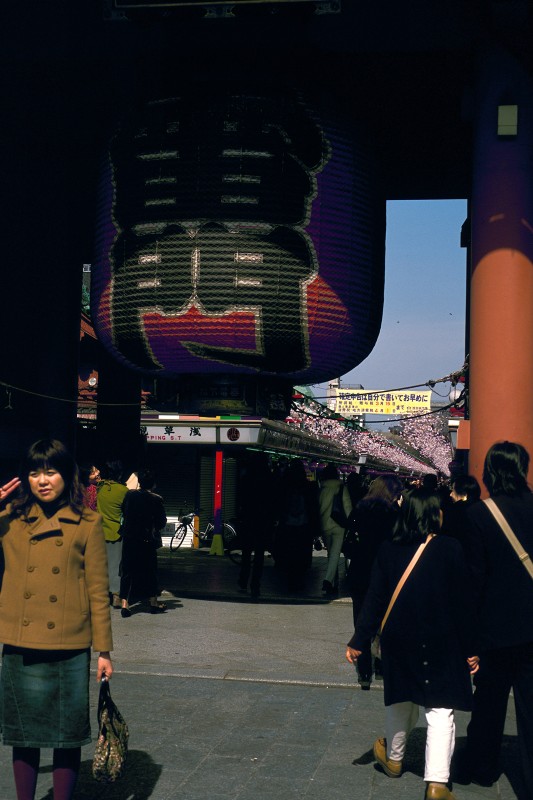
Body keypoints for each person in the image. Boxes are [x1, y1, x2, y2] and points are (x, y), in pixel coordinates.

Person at [346, 488, 479, 800]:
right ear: (433, 514)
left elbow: (375, 599)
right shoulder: (450, 548)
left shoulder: (388, 549)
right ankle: (436, 783)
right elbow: (464, 605)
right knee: (441, 710)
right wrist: (472, 648)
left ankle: (394, 759)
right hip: (442, 640)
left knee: (400, 700)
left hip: (398, 639)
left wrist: (359, 640)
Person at [0, 439, 113, 800]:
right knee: (24, 734)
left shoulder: (88, 522)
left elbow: (98, 588)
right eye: (34, 472)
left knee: (67, 734)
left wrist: (105, 651)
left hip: (69, 642)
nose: (42, 480)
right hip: (21, 641)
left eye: (50, 471)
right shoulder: (9, 520)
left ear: (67, 474)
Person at [461, 441, 533, 793]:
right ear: (523, 469)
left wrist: (469, 640)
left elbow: (474, 581)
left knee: (488, 704)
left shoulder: (478, 514)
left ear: (490, 470)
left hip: (494, 630)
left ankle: (482, 767)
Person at [346, 474, 403, 688]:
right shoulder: (394, 513)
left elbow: (350, 529)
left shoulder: (361, 508)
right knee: (384, 620)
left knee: (360, 619)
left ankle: (364, 672)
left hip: (360, 570)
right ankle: (381, 666)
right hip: (385, 571)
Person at [119, 467, 168, 616]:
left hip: (129, 537)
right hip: (146, 539)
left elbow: (123, 511)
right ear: (153, 484)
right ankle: (153, 603)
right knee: (150, 571)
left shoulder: (129, 495)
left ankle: (125, 605)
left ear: (139, 482)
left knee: (127, 570)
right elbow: (161, 522)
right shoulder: (156, 499)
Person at [277, 459, 320, 593]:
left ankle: (290, 582)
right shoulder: (309, 487)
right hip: (304, 527)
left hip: (288, 526)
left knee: (289, 554)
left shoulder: (284, 487)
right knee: (301, 556)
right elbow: (314, 509)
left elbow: (279, 506)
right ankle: (299, 582)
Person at [237, 453, 275, 601]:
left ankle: (243, 581)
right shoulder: (269, 479)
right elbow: (272, 501)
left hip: (248, 519)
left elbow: (241, 498)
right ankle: (255, 585)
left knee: (246, 553)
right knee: (259, 555)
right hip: (263, 521)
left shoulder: (247, 478)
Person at [97, 459, 128, 609]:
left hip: (100, 531)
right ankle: (116, 595)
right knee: (116, 565)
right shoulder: (123, 491)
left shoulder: (100, 488)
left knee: (101, 565)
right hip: (116, 532)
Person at [318, 463, 352, 595]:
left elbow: (319, 508)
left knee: (330, 554)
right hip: (339, 525)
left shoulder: (322, 489)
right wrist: (350, 523)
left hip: (325, 524)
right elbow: (347, 506)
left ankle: (332, 582)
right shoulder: (341, 487)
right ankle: (328, 580)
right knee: (335, 554)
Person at [440, 474, 481, 547]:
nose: (450, 494)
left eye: (453, 490)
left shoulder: (453, 512)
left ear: (464, 494)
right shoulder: (482, 508)